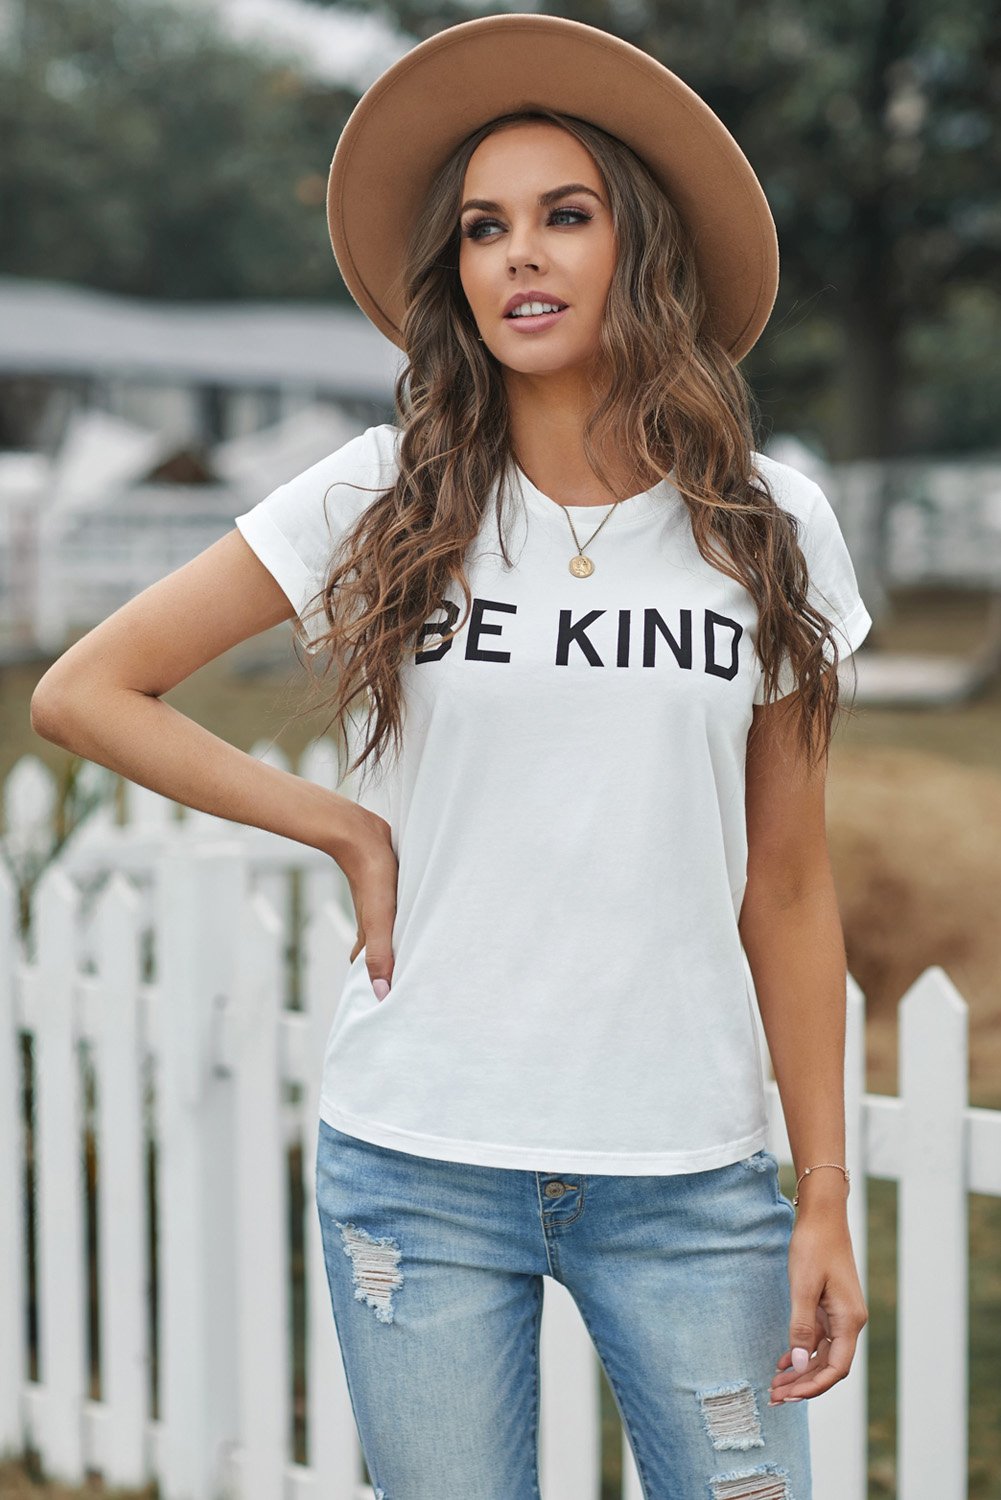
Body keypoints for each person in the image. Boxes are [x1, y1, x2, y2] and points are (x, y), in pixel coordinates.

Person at [30, 14, 870, 1498]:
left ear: (644, 248)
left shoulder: (768, 526)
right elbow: (89, 690)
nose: (516, 257)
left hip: (685, 1175)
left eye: (564, 216)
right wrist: (344, 830)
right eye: (484, 228)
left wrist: (821, 1198)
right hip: (415, 1160)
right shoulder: (382, 493)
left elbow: (788, 891)